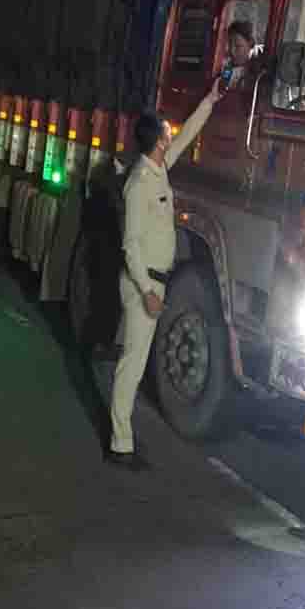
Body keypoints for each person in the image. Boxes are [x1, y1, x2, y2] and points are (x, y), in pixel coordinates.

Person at [106, 83, 223, 468]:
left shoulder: (158, 169)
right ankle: (120, 444)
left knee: (136, 362)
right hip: (144, 284)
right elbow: (130, 245)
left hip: (156, 281)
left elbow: (187, 135)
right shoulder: (139, 183)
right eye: (165, 131)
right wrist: (146, 291)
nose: (170, 133)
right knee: (132, 364)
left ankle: (123, 438)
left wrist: (209, 101)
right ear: (156, 141)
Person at [222, 20, 260, 88]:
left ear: (250, 44)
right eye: (230, 45)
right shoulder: (227, 68)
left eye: (238, 46)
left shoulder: (255, 74)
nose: (232, 51)